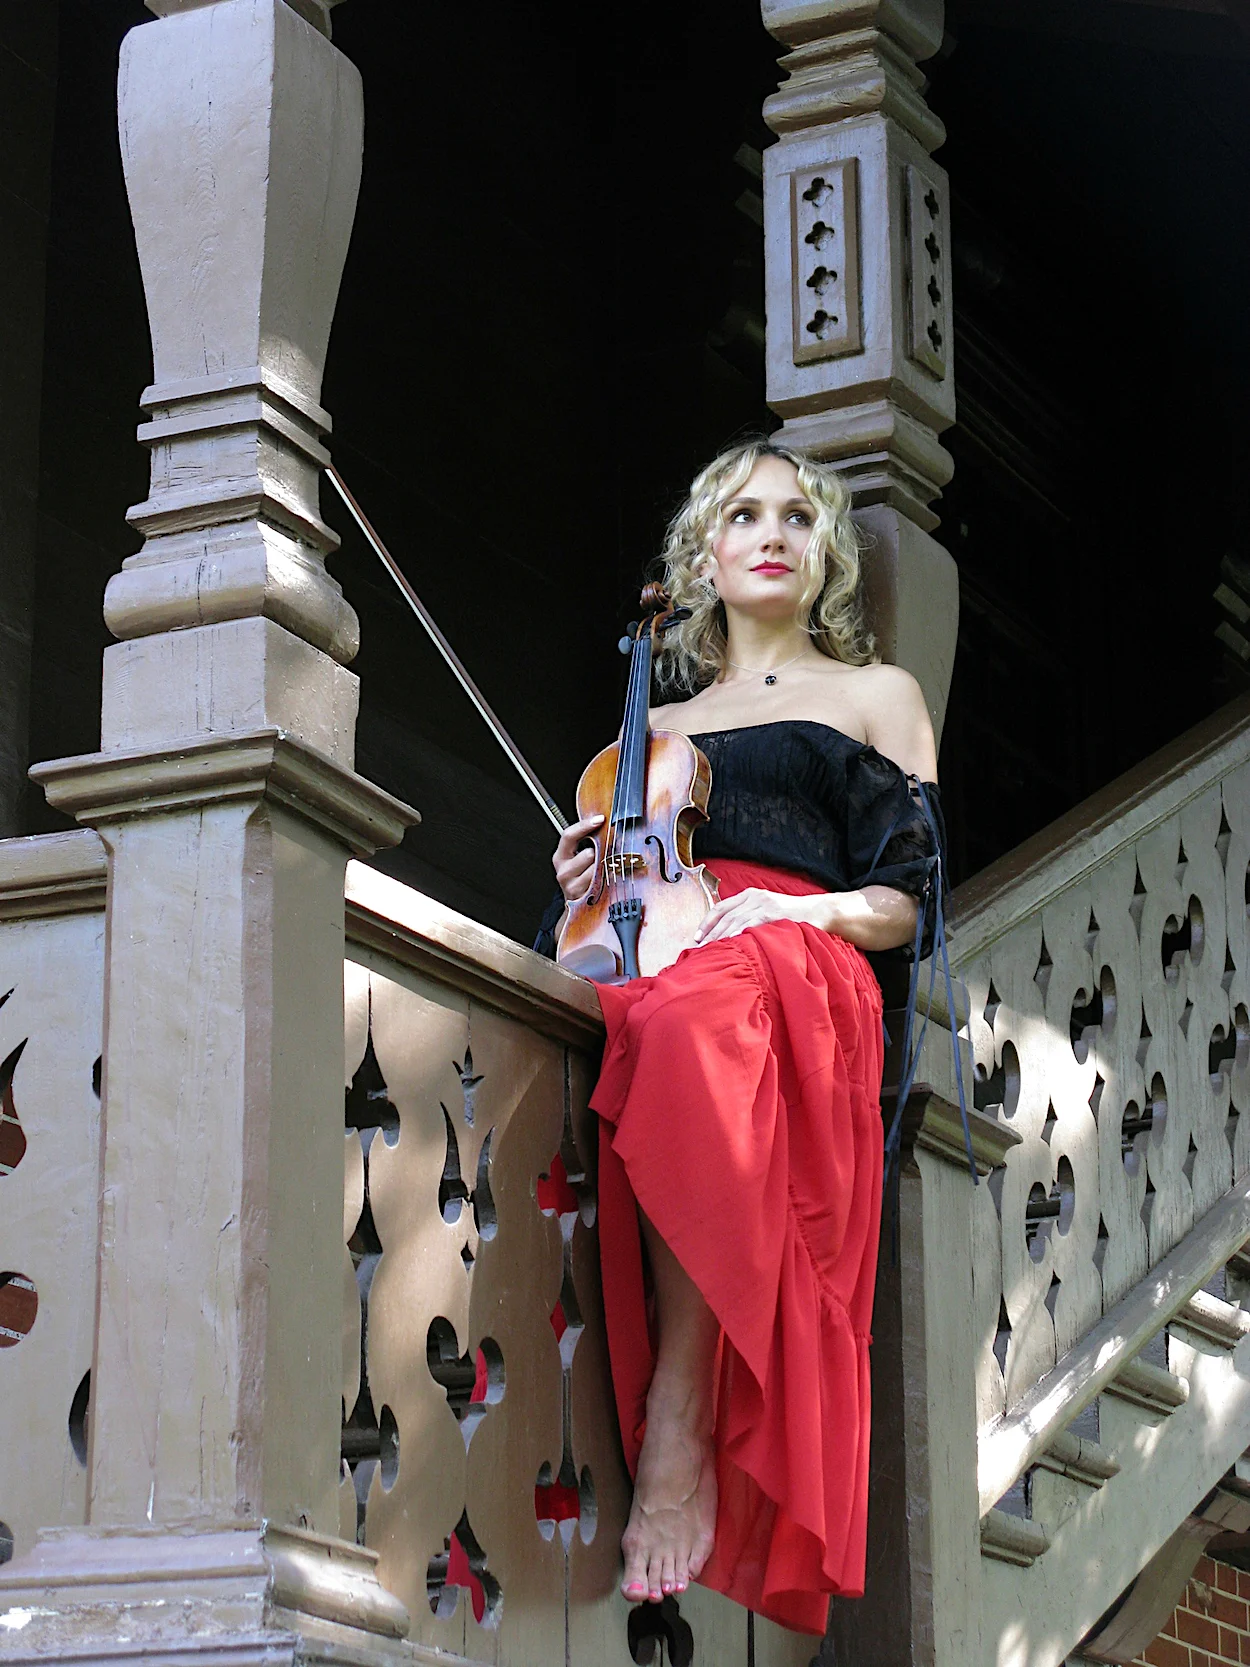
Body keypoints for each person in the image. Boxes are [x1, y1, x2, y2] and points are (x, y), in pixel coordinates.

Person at [546, 439, 942, 1636]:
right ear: (702, 554)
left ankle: (678, 1406)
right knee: (648, 1008)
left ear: (820, 554)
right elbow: (625, 900)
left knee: (704, 1009)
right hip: (682, 955)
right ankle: (686, 1382)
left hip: (804, 962)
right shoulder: (654, 725)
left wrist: (790, 904)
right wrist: (580, 866)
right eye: (741, 514)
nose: (770, 532)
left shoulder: (877, 697)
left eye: (796, 517)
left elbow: (903, 903)